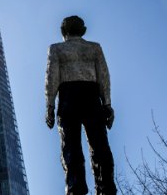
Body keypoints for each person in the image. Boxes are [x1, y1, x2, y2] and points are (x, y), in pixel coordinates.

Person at [45, 15, 116, 195]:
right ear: (82, 30)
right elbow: (104, 77)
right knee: (100, 146)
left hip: (68, 97)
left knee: (70, 147)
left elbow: (51, 78)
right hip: (92, 96)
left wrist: (50, 106)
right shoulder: (94, 48)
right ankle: (106, 188)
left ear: (64, 32)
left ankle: (75, 189)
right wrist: (107, 104)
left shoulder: (56, 49)